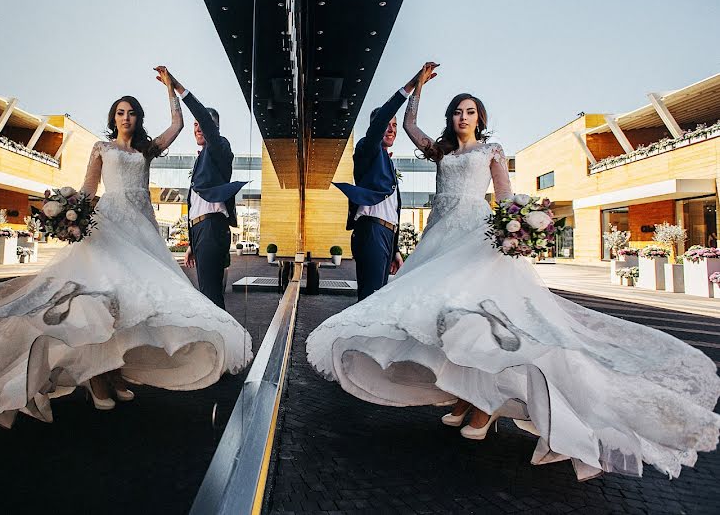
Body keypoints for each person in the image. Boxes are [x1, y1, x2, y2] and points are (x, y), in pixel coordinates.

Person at [307, 62, 720, 481]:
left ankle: (486, 406)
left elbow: (505, 198)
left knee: (485, 320)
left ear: (480, 118)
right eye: (456, 112)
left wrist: (517, 229)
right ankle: (468, 397)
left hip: (476, 239)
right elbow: (411, 122)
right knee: (445, 319)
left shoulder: (492, 152)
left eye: (469, 111)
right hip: (439, 237)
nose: (462, 117)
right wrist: (417, 86)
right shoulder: (442, 152)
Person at [0, 66, 253, 427]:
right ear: (113, 118)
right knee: (98, 297)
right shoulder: (102, 148)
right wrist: (71, 215)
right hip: (109, 225)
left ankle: (113, 371)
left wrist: (169, 88)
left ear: (138, 119)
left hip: (142, 229)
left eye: (131, 112)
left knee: (131, 301)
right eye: (120, 112)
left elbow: (177, 125)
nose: (126, 117)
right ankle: (96, 378)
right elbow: (88, 188)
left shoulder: (147, 150)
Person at [332, 76, 416, 300]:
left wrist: (395, 249)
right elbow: (378, 127)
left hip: (387, 234)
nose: (391, 129)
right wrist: (409, 87)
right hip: (371, 232)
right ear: (376, 127)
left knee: (378, 298)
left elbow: (393, 211)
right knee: (370, 298)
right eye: (387, 124)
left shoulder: (388, 162)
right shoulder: (366, 149)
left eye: (395, 126)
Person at [171, 73, 247, 310]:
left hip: (213, 229)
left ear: (214, 127)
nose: (197, 128)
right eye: (194, 125)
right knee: (207, 292)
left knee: (211, 295)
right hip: (203, 231)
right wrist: (192, 243)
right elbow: (196, 205)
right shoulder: (202, 159)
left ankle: (223, 343)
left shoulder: (220, 147)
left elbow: (204, 118)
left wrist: (178, 87)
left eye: (201, 124)